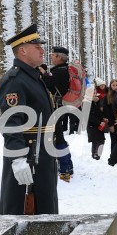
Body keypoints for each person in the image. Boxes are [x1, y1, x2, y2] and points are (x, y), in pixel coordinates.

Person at [0, 24, 58, 214]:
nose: (42, 50)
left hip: (42, 156)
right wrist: (17, 158)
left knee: (45, 211)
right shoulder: (16, 80)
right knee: (21, 215)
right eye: (37, 47)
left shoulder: (32, 77)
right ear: (22, 50)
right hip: (29, 157)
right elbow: (11, 121)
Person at [41, 45, 74, 182]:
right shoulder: (61, 70)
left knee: (58, 138)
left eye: (53, 56)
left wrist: (42, 72)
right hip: (59, 107)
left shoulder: (60, 71)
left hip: (56, 108)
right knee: (59, 136)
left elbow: (48, 82)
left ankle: (65, 169)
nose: (51, 57)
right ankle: (67, 166)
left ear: (60, 57)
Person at [86, 78, 109, 160]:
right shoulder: (87, 102)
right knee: (97, 141)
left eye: (95, 91)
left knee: (100, 140)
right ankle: (95, 155)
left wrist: (103, 118)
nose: (94, 93)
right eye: (92, 92)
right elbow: (89, 116)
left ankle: (96, 155)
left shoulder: (97, 101)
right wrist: (99, 122)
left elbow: (99, 112)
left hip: (98, 124)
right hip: (92, 125)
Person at [105, 78, 117, 166]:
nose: (115, 87)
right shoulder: (108, 97)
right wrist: (110, 124)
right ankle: (113, 158)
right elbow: (107, 112)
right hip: (113, 122)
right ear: (110, 86)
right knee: (113, 141)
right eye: (113, 85)